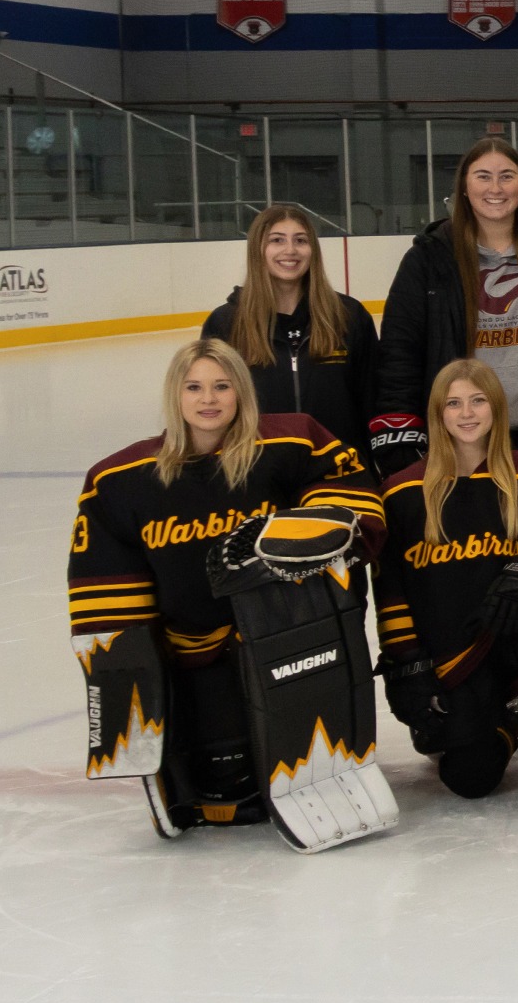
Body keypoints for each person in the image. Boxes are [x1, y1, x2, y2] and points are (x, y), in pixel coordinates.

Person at [70, 336, 384, 838]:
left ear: (242, 392)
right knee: (225, 788)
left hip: (276, 647)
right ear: (176, 395)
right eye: (194, 387)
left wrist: (311, 532)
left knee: (257, 782)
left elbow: (350, 496)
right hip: (190, 654)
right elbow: (103, 582)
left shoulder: (291, 443)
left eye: (222, 386)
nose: (208, 399)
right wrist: (124, 660)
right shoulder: (122, 479)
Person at [374, 360, 518, 803]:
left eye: (478, 401)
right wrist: (407, 666)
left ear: (497, 407)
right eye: (454, 403)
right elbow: (391, 590)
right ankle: (505, 719)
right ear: (437, 413)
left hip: (517, 644)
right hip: (452, 657)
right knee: (468, 778)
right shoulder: (401, 491)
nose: (467, 413)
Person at [371, 138, 518, 479]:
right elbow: (401, 354)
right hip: (460, 442)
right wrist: (400, 435)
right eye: (483, 176)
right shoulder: (428, 259)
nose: (496, 188)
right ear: (464, 187)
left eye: (507, 176)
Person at [204, 205, 380, 466]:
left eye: (300, 240)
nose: (290, 250)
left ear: (313, 251)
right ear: (258, 250)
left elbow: (374, 399)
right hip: (259, 472)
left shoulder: (349, 316)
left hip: (340, 470)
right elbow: (213, 407)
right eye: (277, 240)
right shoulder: (225, 324)